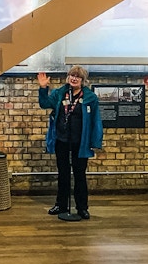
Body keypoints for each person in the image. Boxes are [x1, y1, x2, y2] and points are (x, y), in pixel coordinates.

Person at [37, 65, 103, 220]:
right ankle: (61, 205)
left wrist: (95, 141)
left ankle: (82, 208)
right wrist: (43, 88)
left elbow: (96, 121)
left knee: (80, 175)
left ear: (83, 80)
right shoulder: (60, 93)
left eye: (78, 77)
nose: (74, 78)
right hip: (62, 140)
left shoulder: (90, 97)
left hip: (80, 142)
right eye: (72, 75)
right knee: (63, 174)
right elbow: (44, 103)